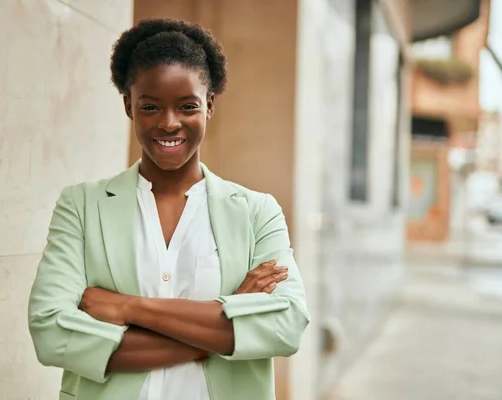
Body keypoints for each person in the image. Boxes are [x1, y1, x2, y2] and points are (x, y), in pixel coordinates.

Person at [28, 18, 310, 400]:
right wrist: (227, 323)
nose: (169, 123)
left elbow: (285, 325)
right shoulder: (81, 207)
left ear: (209, 106)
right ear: (129, 106)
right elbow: (52, 333)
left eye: (187, 106)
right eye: (150, 106)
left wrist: (129, 307)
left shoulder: (257, 213)